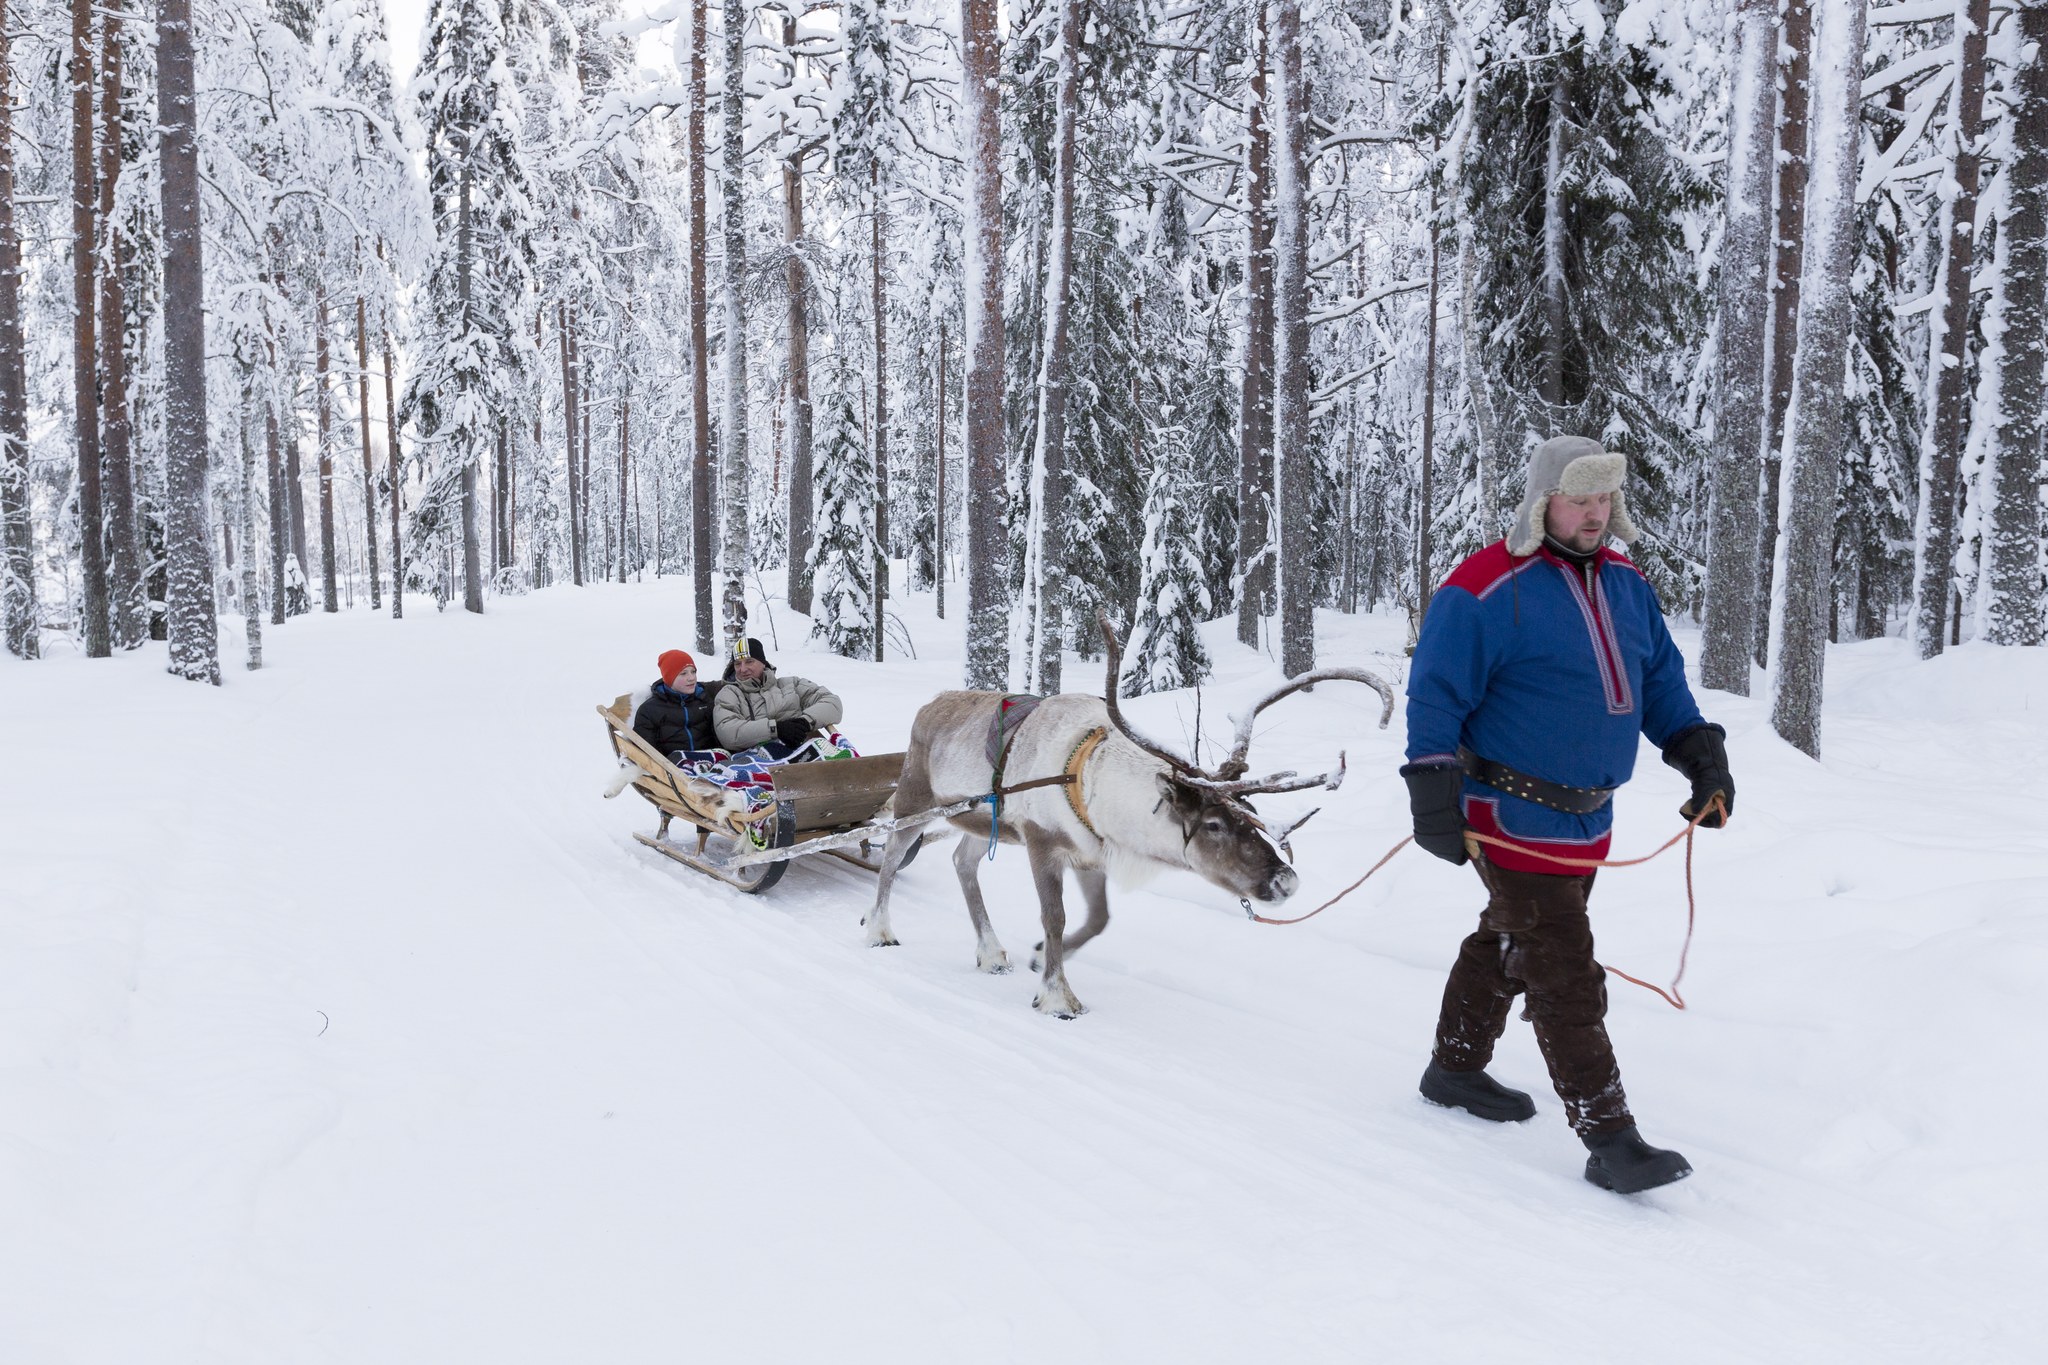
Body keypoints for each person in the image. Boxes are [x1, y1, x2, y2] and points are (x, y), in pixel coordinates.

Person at [1401, 435, 1734, 1195]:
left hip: (1588, 820)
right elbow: (1437, 691)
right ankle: (1609, 1135)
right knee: (1562, 966)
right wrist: (1432, 791)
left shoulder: (1626, 584)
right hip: (1507, 812)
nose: (1594, 513)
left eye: (1603, 498)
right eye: (1579, 497)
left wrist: (1701, 758)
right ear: (1542, 499)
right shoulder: (1486, 587)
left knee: (1512, 935)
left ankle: (1454, 1066)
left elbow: (1661, 685)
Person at [713, 636, 844, 759]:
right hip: (759, 759)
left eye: (749, 661)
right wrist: (775, 729)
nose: (743, 669)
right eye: (737, 664)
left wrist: (804, 722)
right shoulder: (730, 693)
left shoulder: (791, 684)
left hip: (802, 752)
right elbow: (728, 732)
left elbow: (832, 703)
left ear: (763, 663)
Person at [633, 650, 723, 762]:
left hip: (711, 761)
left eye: (693, 672)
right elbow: (649, 751)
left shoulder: (704, 698)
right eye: (683, 673)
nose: (691, 678)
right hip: (673, 768)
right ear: (669, 677)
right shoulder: (650, 710)